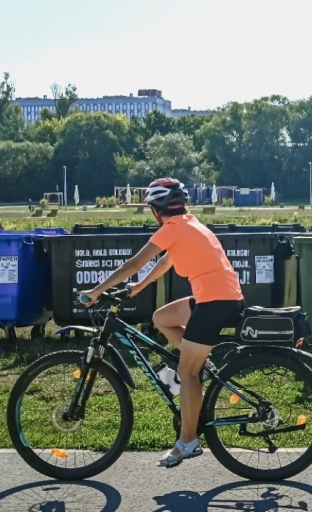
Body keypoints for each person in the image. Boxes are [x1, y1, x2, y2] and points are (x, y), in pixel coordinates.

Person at [79, 178, 245, 468]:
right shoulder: (189, 224)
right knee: (162, 318)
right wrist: (139, 287)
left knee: (187, 373)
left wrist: (95, 291)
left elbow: (132, 263)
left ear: (156, 210)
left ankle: (187, 443)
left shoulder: (173, 228)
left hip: (215, 303)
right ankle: (200, 362)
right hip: (218, 298)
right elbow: (167, 261)